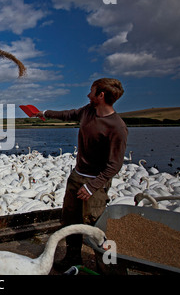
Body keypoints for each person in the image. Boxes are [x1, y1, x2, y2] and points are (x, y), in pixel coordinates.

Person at [34, 77, 128, 271]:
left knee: (96, 226)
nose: (88, 94)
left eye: (91, 91)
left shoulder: (117, 127)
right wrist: (44, 113)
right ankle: (73, 258)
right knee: (70, 219)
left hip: (95, 183)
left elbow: (114, 165)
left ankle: (108, 268)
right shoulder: (88, 111)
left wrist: (92, 186)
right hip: (77, 176)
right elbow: (69, 114)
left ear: (100, 96)